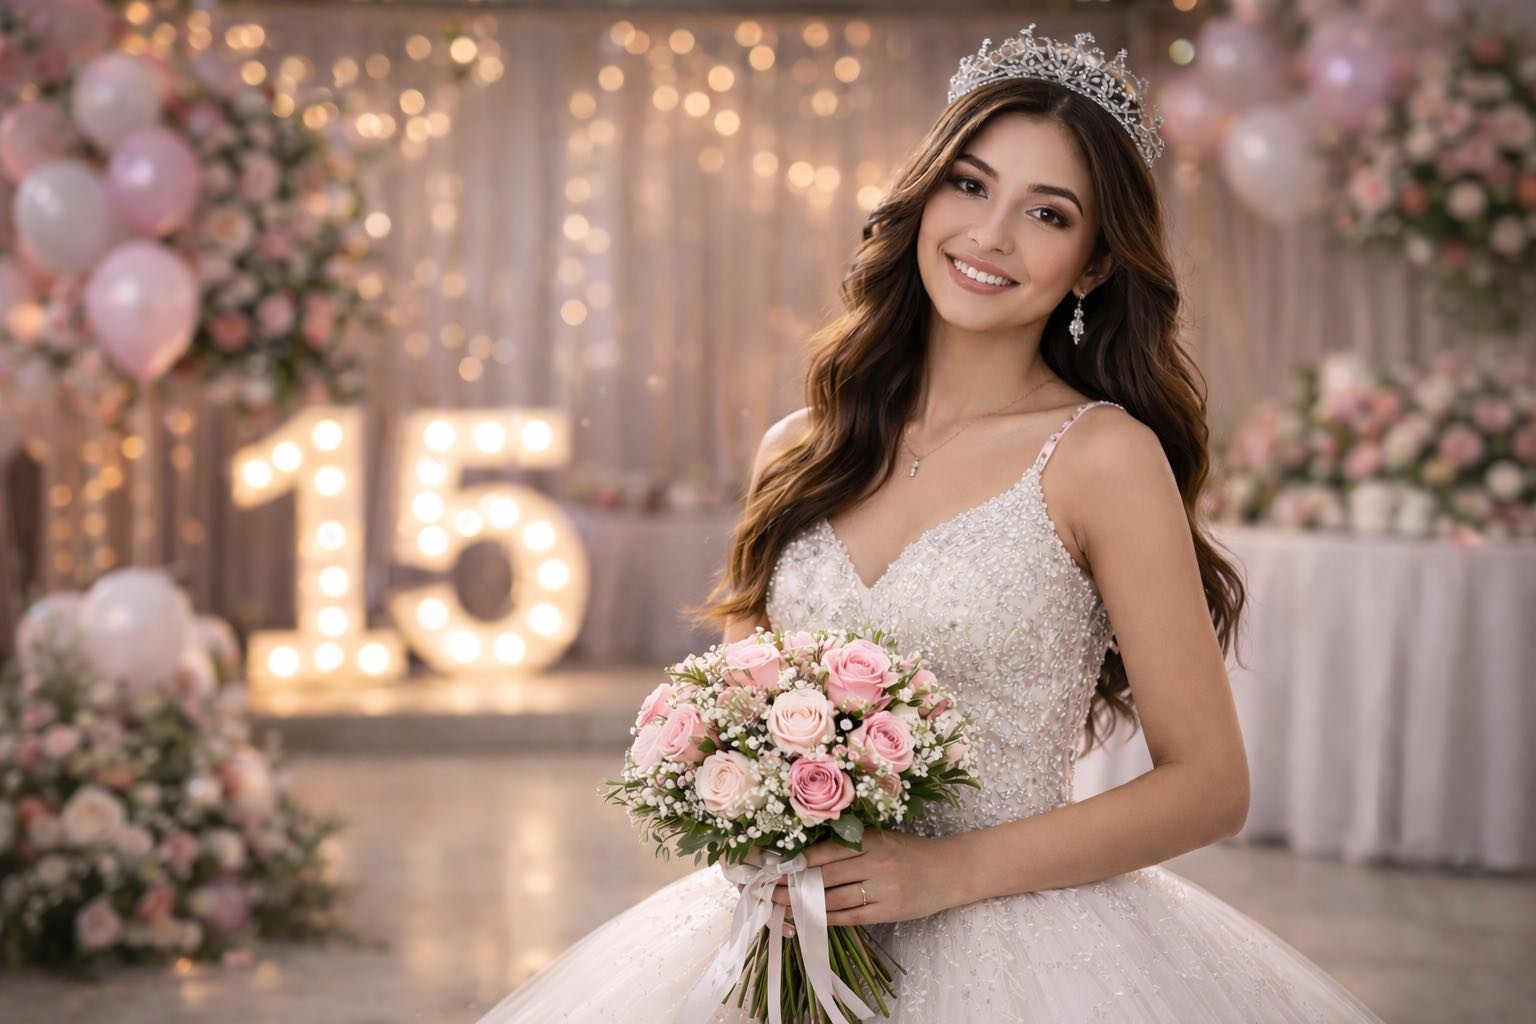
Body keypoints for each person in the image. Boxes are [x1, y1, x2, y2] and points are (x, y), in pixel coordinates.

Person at [476, 24, 1384, 1023]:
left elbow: (1210, 785)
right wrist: (751, 817)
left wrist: (949, 871)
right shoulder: (799, 448)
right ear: (924, 197)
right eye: (970, 185)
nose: (991, 235)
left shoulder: (1102, 456)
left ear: (1092, 264)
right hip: (786, 932)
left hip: (1021, 948)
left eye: (1047, 212)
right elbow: (742, 701)